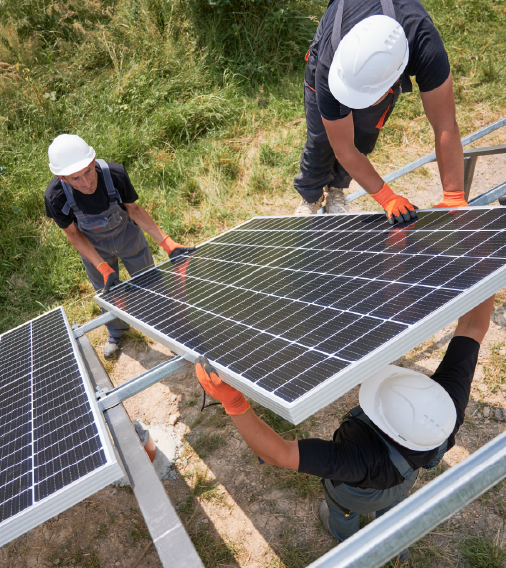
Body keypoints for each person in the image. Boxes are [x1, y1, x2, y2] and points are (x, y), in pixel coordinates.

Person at [194, 296, 494, 561]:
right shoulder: (447, 407)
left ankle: (346, 536)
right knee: (394, 506)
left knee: (340, 509)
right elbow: (472, 329)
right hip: (404, 481)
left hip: (356, 495)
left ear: (381, 424)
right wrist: (488, 266)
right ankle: (393, 538)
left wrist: (233, 402)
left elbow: (277, 453)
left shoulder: (356, 458)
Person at [294, 0, 468, 222]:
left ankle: (336, 188)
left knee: (361, 140)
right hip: (328, 69)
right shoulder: (330, 67)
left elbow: (445, 123)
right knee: (320, 140)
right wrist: (387, 197)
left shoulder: (423, 41)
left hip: (391, 63)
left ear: (396, 75)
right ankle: (311, 196)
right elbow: (342, 147)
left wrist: (453, 194)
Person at [45, 134, 195, 359]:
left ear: (93, 159)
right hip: (94, 248)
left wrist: (167, 242)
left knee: (150, 282)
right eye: (75, 178)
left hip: (127, 236)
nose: (87, 183)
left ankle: (168, 330)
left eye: (88, 170)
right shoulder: (56, 197)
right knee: (107, 294)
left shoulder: (114, 175)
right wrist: (103, 268)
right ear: (61, 177)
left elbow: (133, 210)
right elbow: (74, 235)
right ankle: (117, 332)